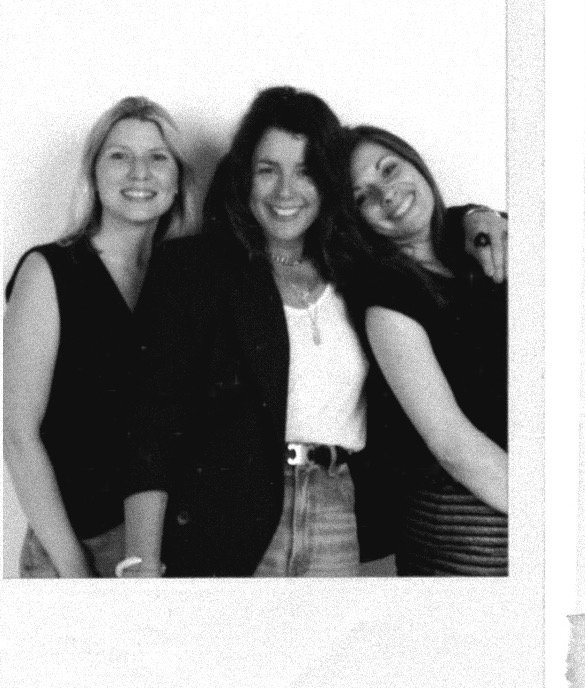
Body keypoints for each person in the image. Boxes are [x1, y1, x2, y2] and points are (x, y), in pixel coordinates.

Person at [122, 87, 427, 576]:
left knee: (326, 653)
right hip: (221, 517)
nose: (286, 191)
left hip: (334, 513)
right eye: (268, 170)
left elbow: (422, 235)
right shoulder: (196, 270)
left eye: (306, 171)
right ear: (244, 177)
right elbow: (151, 427)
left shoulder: (361, 271)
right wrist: (139, 563)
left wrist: (481, 221)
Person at [3, 98, 196, 577]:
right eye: (119, 155)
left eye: (157, 157)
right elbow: (17, 433)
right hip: (75, 543)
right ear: (94, 171)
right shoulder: (49, 270)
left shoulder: (188, 281)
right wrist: (72, 563)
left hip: (165, 549)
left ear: (177, 178)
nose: (139, 172)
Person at [346, 126, 508, 575]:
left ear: (414, 160)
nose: (386, 194)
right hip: (466, 522)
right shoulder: (386, 297)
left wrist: (480, 215)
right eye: (362, 197)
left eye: (389, 168)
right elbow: (452, 445)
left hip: (522, 498)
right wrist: (558, 515)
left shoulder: (479, 247)